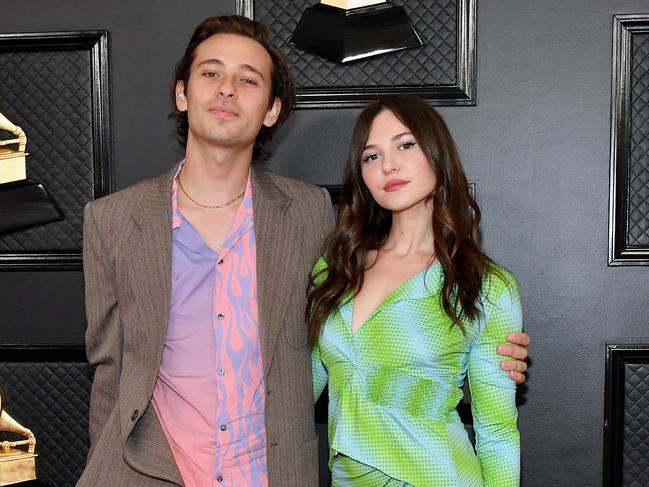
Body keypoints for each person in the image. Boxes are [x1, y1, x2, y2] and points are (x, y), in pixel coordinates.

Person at [79, 15, 530, 487]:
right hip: (149, 472)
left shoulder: (309, 214)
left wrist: (484, 356)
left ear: (272, 109)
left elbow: (321, 357)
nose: (227, 89)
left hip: (279, 473)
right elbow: (110, 374)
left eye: (248, 79)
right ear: (181, 93)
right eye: (211, 73)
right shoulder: (111, 222)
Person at [309, 95, 523, 486]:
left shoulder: (484, 284)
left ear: (437, 155)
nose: (388, 165)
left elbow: (497, 432)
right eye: (370, 156)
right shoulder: (335, 268)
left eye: (405, 145)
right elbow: (295, 393)